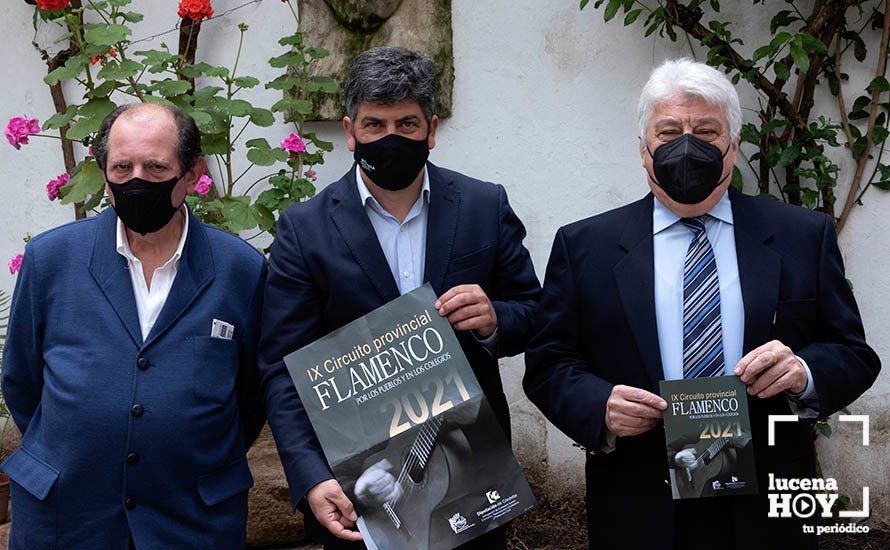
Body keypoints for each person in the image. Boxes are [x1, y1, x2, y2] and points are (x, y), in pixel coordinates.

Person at [523, 58, 880, 550]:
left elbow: (852, 352)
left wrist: (804, 372)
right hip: (638, 501)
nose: (686, 145)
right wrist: (598, 406)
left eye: (706, 131)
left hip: (771, 502)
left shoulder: (802, 236)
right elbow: (548, 364)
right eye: (668, 131)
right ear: (643, 151)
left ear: (732, 149)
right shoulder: (585, 246)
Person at [259, 46, 541, 549]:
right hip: (360, 487)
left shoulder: (483, 205)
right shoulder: (304, 231)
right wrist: (310, 476)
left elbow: (536, 313)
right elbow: (282, 368)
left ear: (431, 129)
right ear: (350, 131)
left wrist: (494, 318)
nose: (391, 138)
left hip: (472, 473)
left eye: (407, 124)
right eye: (374, 125)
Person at [1, 103, 267, 549]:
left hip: (190, 522)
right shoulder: (51, 260)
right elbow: (22, 382)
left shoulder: (240, 269)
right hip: (68, 520)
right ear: (104, 173)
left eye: (156, 166)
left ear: (192, 172)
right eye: (122, 167)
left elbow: (251, 397)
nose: (137, 180)